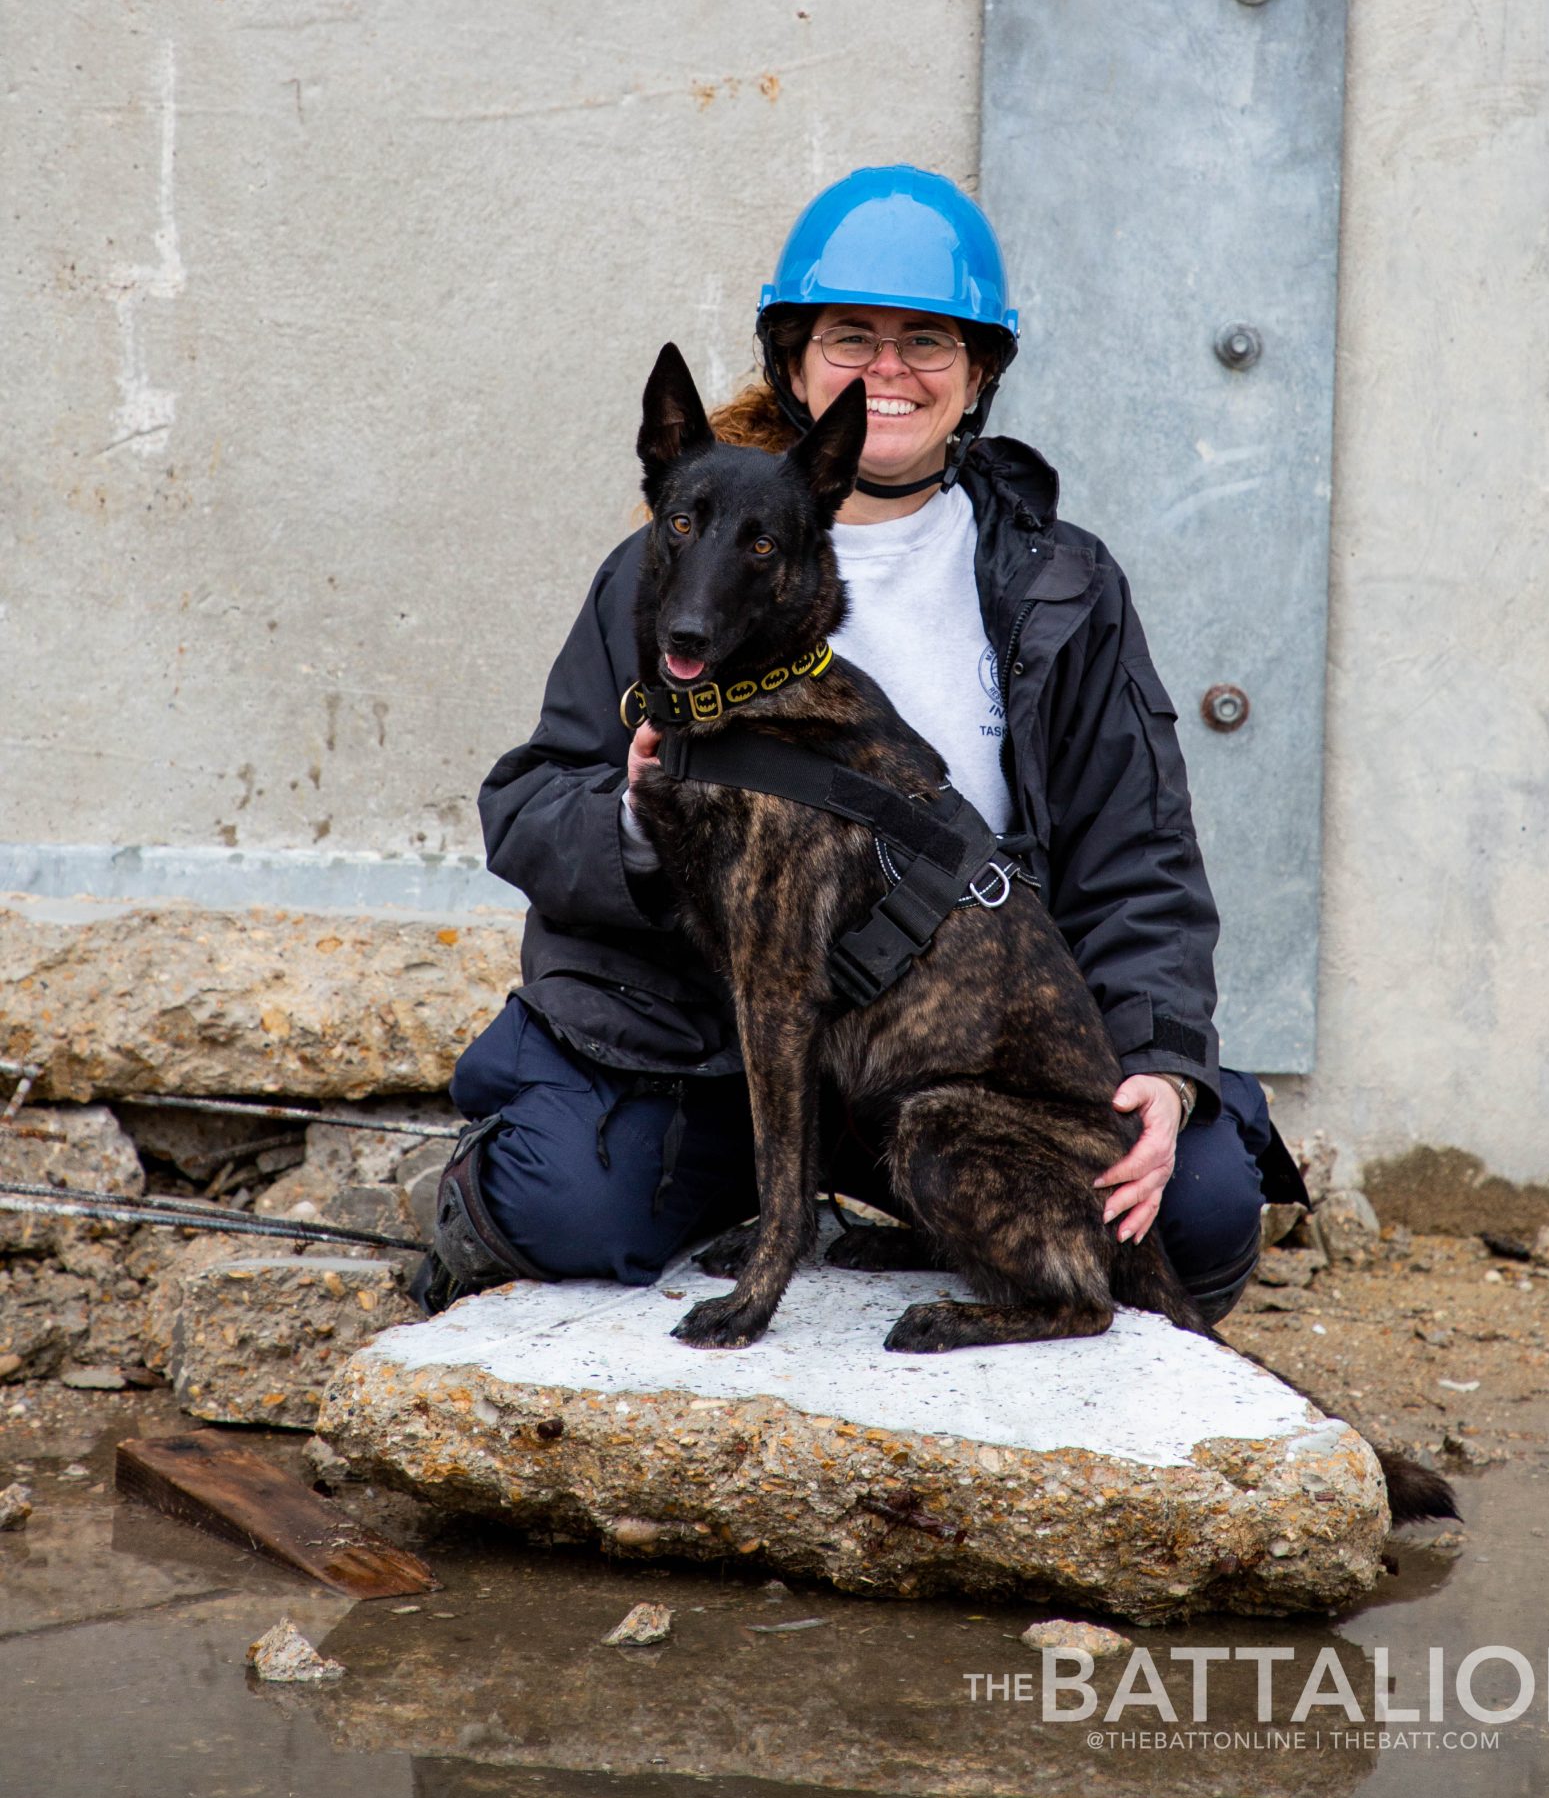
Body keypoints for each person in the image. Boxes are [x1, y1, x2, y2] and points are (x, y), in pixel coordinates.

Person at [423, 165, 1306, 1321]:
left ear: (980, 372)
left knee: (1190, 1202)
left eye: (927, 341)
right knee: (565, 1204)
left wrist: (1161, 1060)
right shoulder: (666, 572)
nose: (888, 370)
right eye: (851, 336)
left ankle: (934, 1213)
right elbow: (530, 801)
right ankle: (679, 1198)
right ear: (795, 360)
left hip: (942, 1058)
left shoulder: (1059, 585)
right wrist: (636, 818)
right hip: (712, 1051)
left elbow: (1137, 855)